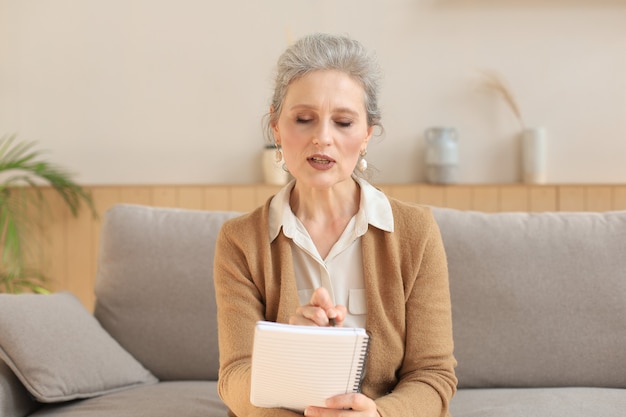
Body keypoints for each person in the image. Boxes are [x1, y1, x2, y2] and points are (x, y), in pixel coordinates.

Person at [214, 33, 457, 417]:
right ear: (276, 126)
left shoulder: (416, 232)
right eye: (304, 120)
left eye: (343, 122)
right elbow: (236, 374)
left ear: (366, 135)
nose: (322, 138)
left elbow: (432, 375)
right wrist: (291, 357)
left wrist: (378, 415)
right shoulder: (241, 241)